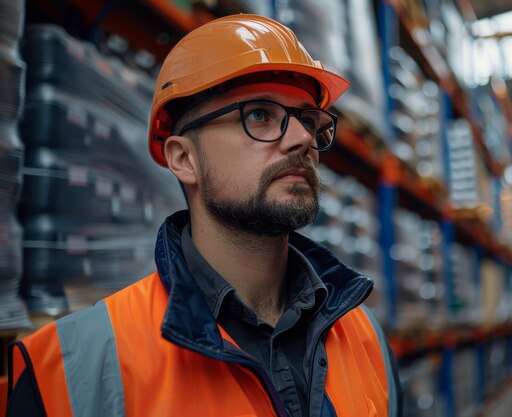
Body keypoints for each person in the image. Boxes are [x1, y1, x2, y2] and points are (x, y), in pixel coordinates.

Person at [6, 14, 401, 417]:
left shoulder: (366, 337)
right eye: (259, 115)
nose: (302, 138)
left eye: (308, 119)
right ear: (184, 159)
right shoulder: (72, 369)